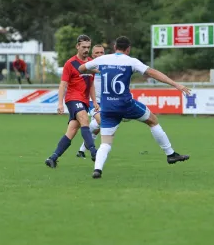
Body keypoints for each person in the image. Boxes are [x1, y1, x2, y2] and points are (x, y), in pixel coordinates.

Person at [78, 36, 190, 179]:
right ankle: (170, 154)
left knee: (106, 141)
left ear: (114, 47)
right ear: (128, 49)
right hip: (125, 105)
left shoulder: (102, 60)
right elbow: (153, 73)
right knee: (152, 121)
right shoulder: (131, 61)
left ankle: (97, 170)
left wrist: (99, 71)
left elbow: (81, 68)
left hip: (107, 107)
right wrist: (176, 84)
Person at [44, 35, 99, 168]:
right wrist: (60, 103)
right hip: (73, 98)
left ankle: (53, 158)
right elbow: (63, 85)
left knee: (72, 130)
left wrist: (94, 101)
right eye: (83, 47)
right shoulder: (70, 63)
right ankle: (93, 152)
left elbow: (91, 84)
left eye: (88, 47)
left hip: (84, 101)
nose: (86, 50)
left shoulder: (91, 63)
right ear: (77, 47)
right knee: (84, 118)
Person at [77, 44, 105, 158]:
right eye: (97, 53)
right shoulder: (88, 66)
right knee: (102, 122)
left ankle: (81, 151)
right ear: (92, 54)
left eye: (101, 52)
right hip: (92, 100)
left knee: (97, 128)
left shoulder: (107, 65)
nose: (99, 55)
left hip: (105, 101)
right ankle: (93, 147)